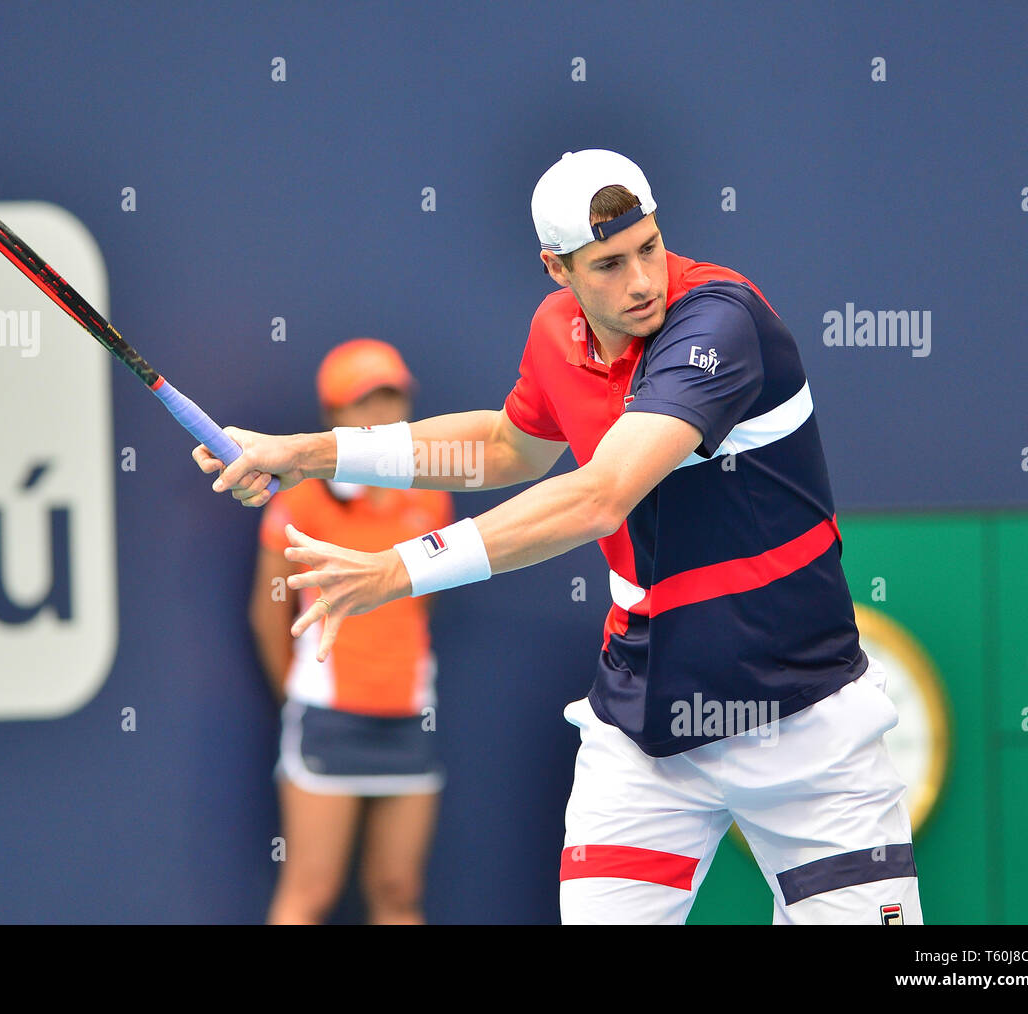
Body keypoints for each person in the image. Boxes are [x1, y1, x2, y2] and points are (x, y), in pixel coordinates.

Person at [194, 150, 923, 925]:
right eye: (609, 264)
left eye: (649, 247)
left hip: (805, 723)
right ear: (556, 268)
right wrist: (307, 453)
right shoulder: (556, 333)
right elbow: (508, 448)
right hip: (646, 728)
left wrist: (400, 569)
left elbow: (600, 496)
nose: (643, 280)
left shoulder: (719, 324)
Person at [247, 338, 452, 925]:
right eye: (364, 402)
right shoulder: (301, 498)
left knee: (398, 890)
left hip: (410, 713)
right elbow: (270, 609)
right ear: (334, 417)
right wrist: (301, 694)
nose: (382, 416)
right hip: (327, 717)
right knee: (311, 892)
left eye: (392, 399)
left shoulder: (432, 492)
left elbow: (423, 601)